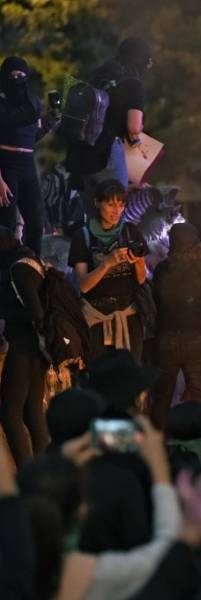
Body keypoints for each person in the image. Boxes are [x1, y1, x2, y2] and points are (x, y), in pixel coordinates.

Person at [69, 179, 149, 362]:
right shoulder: (83, 236)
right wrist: (107, 263)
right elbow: (84, 286)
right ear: (97, 202)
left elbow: (142, 279)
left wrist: (137, 262)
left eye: (121, 205)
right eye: (111, 204)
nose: (117, 211)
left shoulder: (130, 232)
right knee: (98, 379)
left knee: (129, 378)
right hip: (96, 318)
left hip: (129, 315)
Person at [150, 222, 201, 429]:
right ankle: (198, 446)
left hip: (167, 339)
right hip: (199, 339)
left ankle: (159, 448)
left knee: (162, 399)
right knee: (200, 398)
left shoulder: (163, 269)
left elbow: (157, 302)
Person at [65, 37, 152, 196]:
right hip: (108, 150)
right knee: (114, 205)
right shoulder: (134, 84)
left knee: (87, 205)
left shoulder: (102, 73)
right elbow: (134, 127)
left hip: (82, 147)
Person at [0, 225, 49, 466]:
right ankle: (41, 473)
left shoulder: (18, 268)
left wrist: (3, 312)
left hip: (25, 346)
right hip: (35, 347)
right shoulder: (27, 258)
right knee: (31, 413)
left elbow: (35, 312)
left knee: (10, 414)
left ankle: (28, 473)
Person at [0, 56, 53, 256]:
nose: (16, 79)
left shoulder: (32, 103)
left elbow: (30, 136)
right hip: (6, 164)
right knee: (6, 224)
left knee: (37, 221)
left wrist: (50, 122)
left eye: (21, 75)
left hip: (27, 165)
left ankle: (31, 263)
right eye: (11, 75)